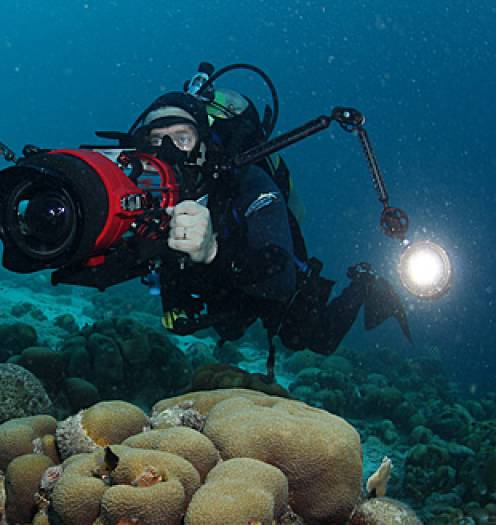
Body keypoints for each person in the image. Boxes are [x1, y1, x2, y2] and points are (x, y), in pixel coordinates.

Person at [128, 81, 411, 378]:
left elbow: (279, 276)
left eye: (182, 137)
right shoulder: (147, 196)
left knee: (311, 338)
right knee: (230, 329)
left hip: (265, 273)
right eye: (157, 140)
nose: (170, 151)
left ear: (204, 142)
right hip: (220, 291)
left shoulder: (248, 182)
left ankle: (364, 282)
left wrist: (213, 251)